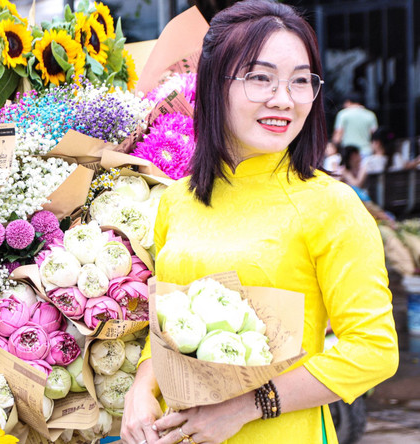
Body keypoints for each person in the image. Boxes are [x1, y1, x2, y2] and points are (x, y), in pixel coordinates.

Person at [120, 2, 398, 444]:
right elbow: (167, 329)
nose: (283, 99)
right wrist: (141, 387)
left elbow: (374, 350)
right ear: (214, 85)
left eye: (300, 80)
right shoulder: (177, 201)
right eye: (260, 77)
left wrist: (249, 407)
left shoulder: (331, 206)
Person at [331, 92, 377, 157]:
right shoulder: (370, 115)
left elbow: (338, 135)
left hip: (349, 153)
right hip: (367, 151)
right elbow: (374, 135)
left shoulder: (343, 114)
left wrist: (333, 147)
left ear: (348, 102)